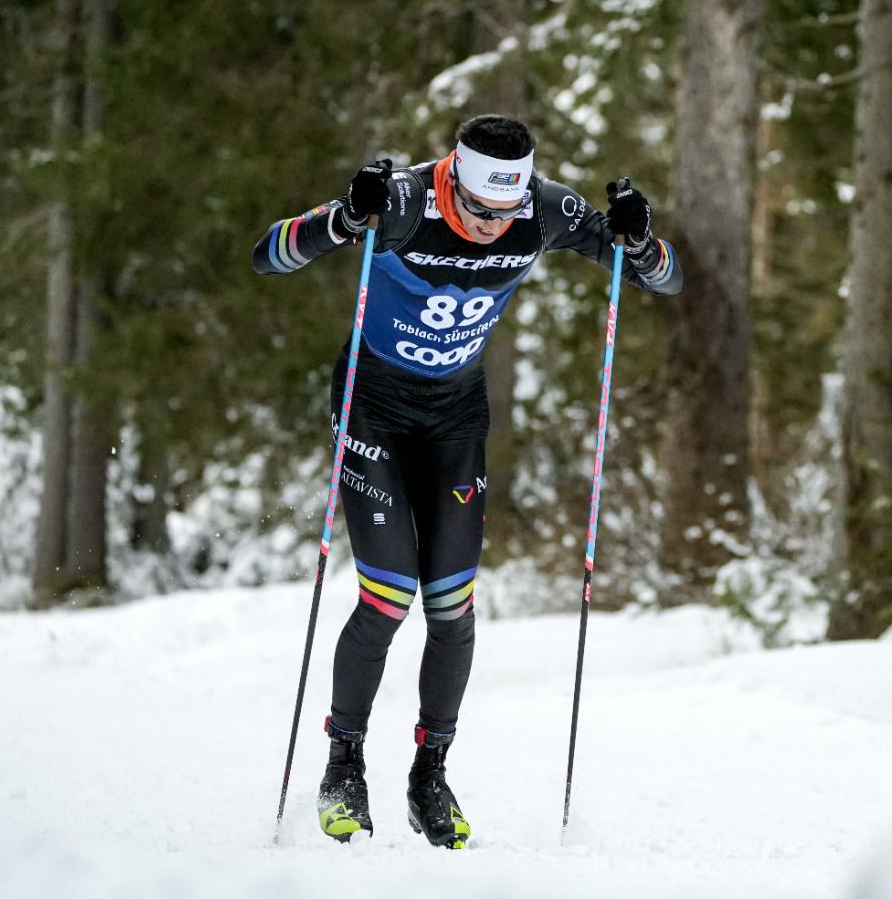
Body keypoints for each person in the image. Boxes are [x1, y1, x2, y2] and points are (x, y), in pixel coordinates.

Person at [252, 115, 683, 846]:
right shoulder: (402, 200)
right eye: (481, 209)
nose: (493, 226)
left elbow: (664, 279)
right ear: (453, 178)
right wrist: (345, 218)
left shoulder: (543, 209)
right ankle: (344, 766)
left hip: (455, 418)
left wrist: (639, 238)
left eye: (506, 212)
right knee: (389, 597)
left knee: (453, 605)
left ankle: (430, 775)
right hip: (374, 407)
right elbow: (270, 255)